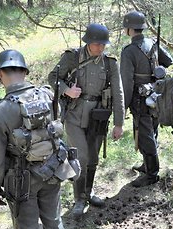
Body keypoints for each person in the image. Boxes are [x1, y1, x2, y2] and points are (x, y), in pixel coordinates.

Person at [0, 49, 69, 229]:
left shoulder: (0, 110)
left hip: (21, 181)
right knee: (54, 221)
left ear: (0, 74)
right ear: (24, 71)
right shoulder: (47, 95)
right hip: (52, 171)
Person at [48, 23, 125, 218]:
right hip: (74, 114)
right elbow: (53, 78)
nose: (100, 48)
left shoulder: (110, 63)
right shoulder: (72, 57)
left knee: (93, 157)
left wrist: (119, 123)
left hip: (97, 116)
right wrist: (67, 90)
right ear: (88, 42)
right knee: (80, 156)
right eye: (96, 44)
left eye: (103, 44)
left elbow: (118, 93)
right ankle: (79, 199)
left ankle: (89, 192)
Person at [120, 10, 173, 187]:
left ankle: (152, 174)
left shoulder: (128, 51)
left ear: (129, 29)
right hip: (156, 94)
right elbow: (169, 60)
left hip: (139, 99)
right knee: (153, 130)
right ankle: (147, 164)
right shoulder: (152, 43)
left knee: (145, 135)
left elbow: (126, 82)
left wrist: (124, 105)